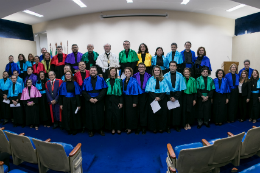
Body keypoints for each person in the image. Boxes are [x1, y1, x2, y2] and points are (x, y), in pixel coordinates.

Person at [82, 66, 108, 137]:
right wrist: (89, 98)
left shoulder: (101, 79)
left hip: (99, 100)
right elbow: (83, 91)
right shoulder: (86, 80)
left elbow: (104, 90)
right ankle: (91, 130)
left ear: (96, 71)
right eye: (91, 70)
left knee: (100, 114)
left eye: (94, 70)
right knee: (89, 115)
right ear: (89, 72)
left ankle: (100, 129)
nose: (93, 71)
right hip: (89, 100)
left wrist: (97, 98)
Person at [145, 65, 170, 133]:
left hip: (162, 98)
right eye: (155, 70)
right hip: (153, 97)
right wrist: (155, 97)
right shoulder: (150, 79)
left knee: (162, 114)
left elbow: (166, 89)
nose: (157, 71)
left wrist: (160, 97)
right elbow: (148, 90)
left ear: (160, 71)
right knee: (153, 113)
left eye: (158, 70)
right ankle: (154, 128)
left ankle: (161, 127)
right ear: (153, 71)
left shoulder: (164, 79)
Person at [164, 61, 186, 132]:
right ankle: (168, 126)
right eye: (171, 65)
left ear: (176, 67)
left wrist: (176, 97)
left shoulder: (180, 75)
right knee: (169, 112)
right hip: (168, 95)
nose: (172, 67)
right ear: (169, 66)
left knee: (177, 112)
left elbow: (182, 87)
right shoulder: (165, 76)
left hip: (177, 95)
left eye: (174, 65)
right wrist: (170, 96)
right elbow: (164, 87)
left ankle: (176, 125)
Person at [59, 70, 81, 135]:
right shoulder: (63, 84)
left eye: (69, 74)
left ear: (71, 75)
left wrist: (79, 104)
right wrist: (61, 104)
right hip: (65, 101)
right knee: (67, 115)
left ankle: (74, 129)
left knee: (74, 115)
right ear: (65, 76)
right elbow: (61, 95)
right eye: (66, 74)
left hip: (73, 100)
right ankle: (68, 128)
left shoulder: (75, 83)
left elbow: (77, 94)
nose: (68, 76)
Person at [122, 67, 143, 134]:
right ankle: (128, 127)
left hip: (132, 99)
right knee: (127, 114)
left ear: (131, 72)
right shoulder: (123, 80)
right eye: (126, 71)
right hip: (125, 99)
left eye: (128, 71)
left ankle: (135, 128)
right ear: (124, 73)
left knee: (133, 114)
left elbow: (136, 92)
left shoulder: (134, 80)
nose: (127, 73)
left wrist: (135, 102)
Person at [133, 63, 152, 134]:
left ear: (145, 68)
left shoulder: (149, 76)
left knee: (144, 111)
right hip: (136, 95)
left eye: (142, 67)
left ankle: (144, 127)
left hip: (145, 95)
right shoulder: (134, 76)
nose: (141, 68)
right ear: (138, 68)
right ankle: (138, 127)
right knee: (137, 111)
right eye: (139, 67)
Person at [105, 67, 123, 134]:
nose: (113, 72)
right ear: (109, 72)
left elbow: (121, 92)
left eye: (114, 71)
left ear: (116, 72)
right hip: (108, 99)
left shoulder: (119, 81)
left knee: (117, 114)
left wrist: (121, 102)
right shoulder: (106, 80)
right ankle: (112, 128)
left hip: (117, 99)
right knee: (110, 114)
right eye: (111, 71)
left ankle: (118, 128)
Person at [74, 61, 90, 132]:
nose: (82, 66)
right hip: (80, 94)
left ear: (85, 65)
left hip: (88, 94)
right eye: (80, 65)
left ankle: (88, 125)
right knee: (81, 110)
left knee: (88, 109)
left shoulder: (89, 72)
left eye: (83, 64)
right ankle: (82, 125)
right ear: (78, 66)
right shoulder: (76, 74)